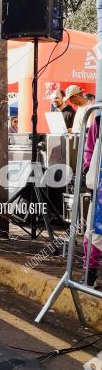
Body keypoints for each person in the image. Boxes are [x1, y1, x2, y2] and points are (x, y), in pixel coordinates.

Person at [82, 114, 101, 286]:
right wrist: (89, 168)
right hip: (101, 184)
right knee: (94, 230)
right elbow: (89, 148)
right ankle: (90, 272)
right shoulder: (99, 120)